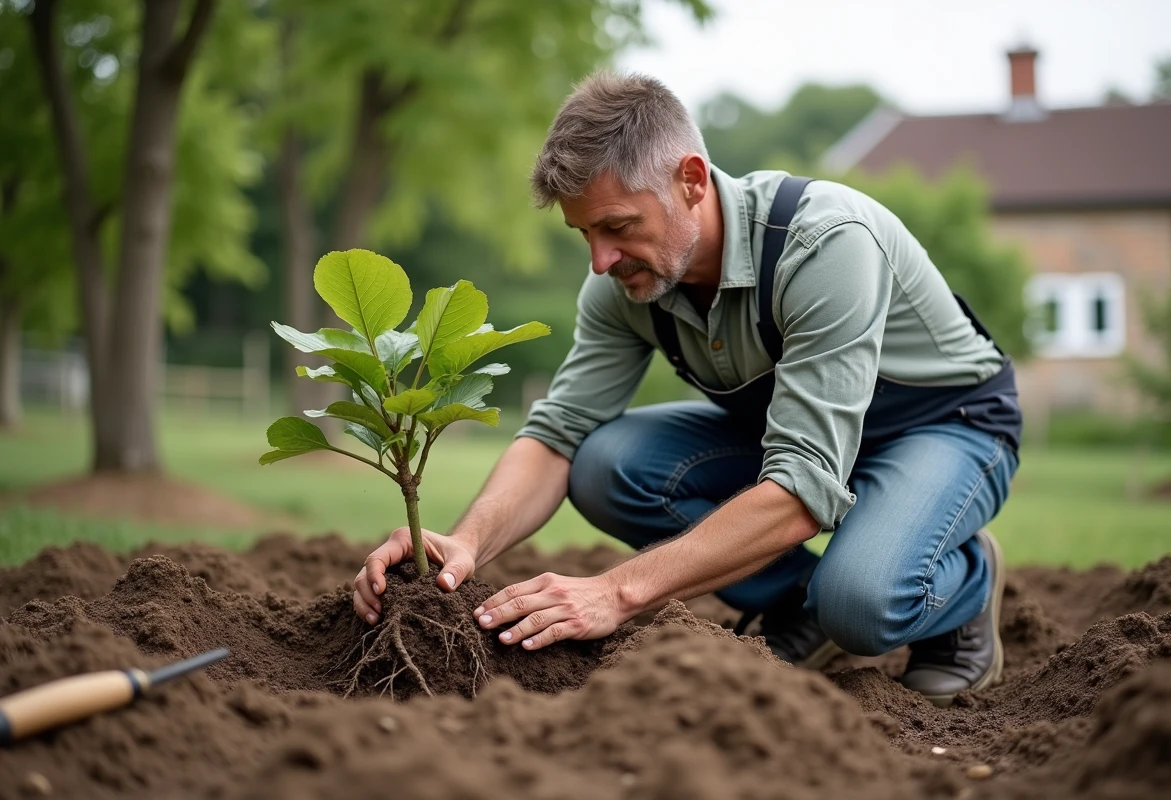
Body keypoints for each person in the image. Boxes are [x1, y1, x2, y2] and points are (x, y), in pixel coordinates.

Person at [352, 72, 1021, 706]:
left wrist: (615, 593)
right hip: (793, 441)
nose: (599, 260)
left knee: (862, 601)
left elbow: (799, 495)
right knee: (606, 465)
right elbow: (559, 435)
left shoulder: (821, 245)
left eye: (616, 226)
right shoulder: (626, 285)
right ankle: (799, 604)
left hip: (943, 427)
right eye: (584, 233)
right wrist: (467, 543)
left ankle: (962, 585)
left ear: (692, 181)